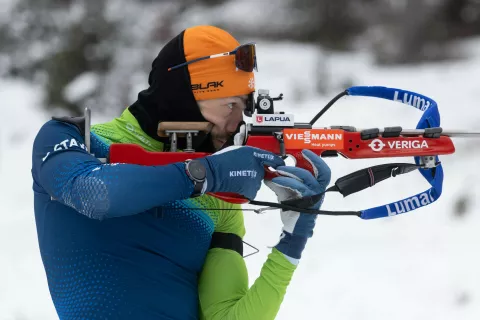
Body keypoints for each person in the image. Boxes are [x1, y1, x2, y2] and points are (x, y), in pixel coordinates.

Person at [31, 25, 331, 319]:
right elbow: (96, 194)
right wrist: (205, 173)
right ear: (183, 95)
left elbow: (226, 316)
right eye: (229, 105)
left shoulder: (220, 198)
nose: (238, 123)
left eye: (244, 108)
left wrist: (292, 242)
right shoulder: (72, 139)